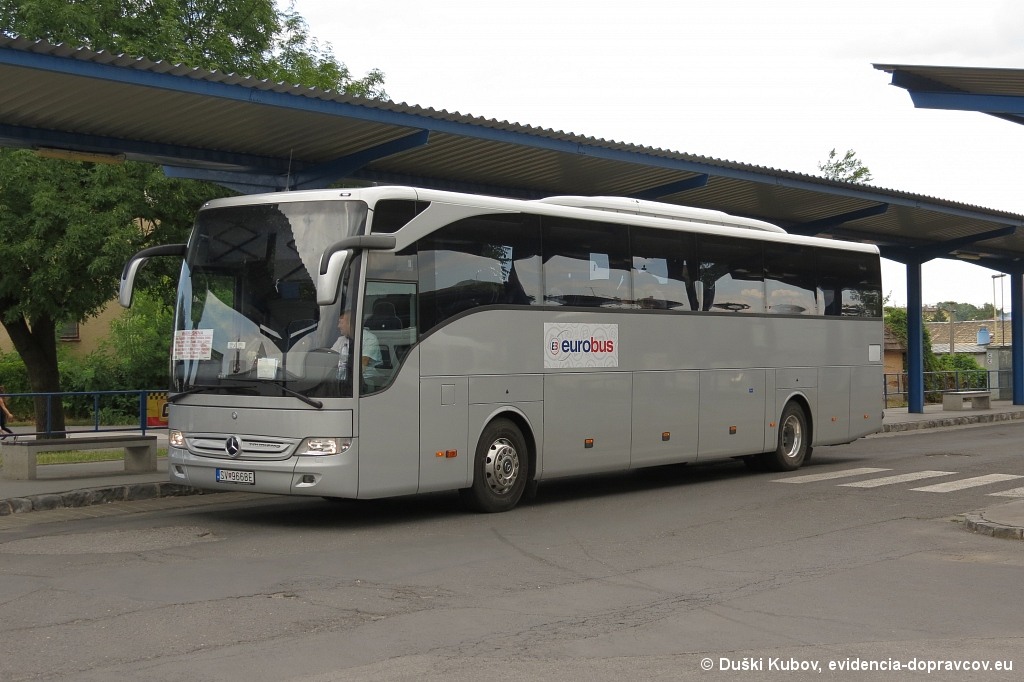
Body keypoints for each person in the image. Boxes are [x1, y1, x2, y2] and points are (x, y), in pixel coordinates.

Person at [331, 310, 382, 383]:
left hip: (366, 380)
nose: (338, 326)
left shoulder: (369, 338)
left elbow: (363, 365)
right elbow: (331, 359)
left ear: (350, 324)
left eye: (341, 323)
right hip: (343, 378)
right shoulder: (341, 340)